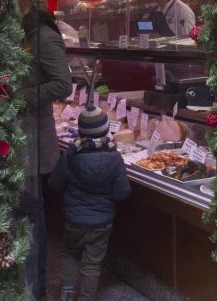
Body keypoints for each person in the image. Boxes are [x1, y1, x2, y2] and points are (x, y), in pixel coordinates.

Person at [15, 0, 73, 299]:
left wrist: (22, 95)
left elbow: (63, 84)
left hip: (33, 137)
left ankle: (35, 289)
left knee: (31, 213)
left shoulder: (44, 36)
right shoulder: (19, 35)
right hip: (18, 137)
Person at [49, 104, 131, 301]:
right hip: (101, 222)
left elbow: (54, 184)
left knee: (70, 254)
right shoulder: (115, 157)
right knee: (92, 263)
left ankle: (67, 295)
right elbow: (122, 193)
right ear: (105, 130)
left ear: (81, 131)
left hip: (74, 219)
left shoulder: (70, 155)